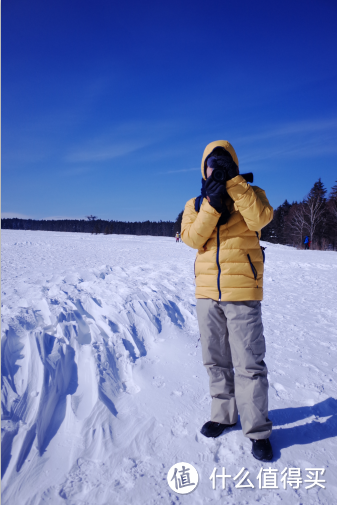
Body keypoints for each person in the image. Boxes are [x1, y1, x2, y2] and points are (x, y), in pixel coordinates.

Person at [181, 140, 274, 462]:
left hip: (243, 292)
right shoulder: (196, 203)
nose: (216, 168)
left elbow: (261, 219)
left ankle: (258, 430)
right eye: (212, 164)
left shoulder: (251, 194)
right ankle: (223, 415)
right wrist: (213, 203)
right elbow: (193, 239)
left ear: (233, 164)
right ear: (203, 168)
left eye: (223, 163)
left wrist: (234, 184)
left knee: (248, 364)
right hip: (207, 293)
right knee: (215, 360)